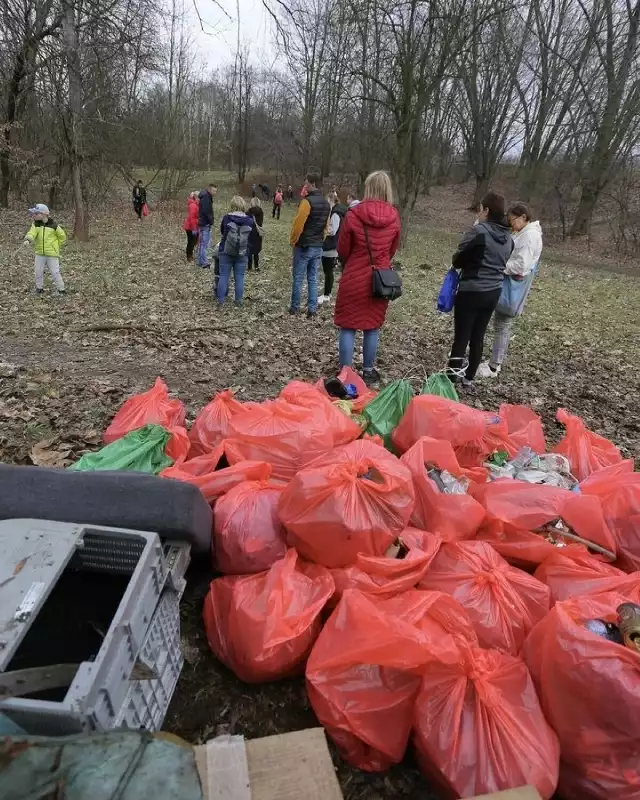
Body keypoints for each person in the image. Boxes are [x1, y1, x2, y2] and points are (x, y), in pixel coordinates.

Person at [334, 170, 400, 385]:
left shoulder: (354, 214)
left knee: (348, 326)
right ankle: (369, 370)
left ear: (368, 188)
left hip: (353, 277)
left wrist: (354, 261)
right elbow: (392, 249)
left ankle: (345, 372)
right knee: (372, 326)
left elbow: (343, 248)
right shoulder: (394, 217)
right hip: (379, 281)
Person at [446, 191, 514, 387]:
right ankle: (468, 378)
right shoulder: (509, 239)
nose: (478, 213)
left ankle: (450, 379)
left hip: (471, 291)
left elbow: (459, 258)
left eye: (480, 209)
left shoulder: (480, 232)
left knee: (462, 336)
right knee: (478, 335)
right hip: (493, 292)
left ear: (487, 210)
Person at [477, 203, 543, 378]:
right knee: (497, 323)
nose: (511, 223)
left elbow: (522, 265)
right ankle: (487, 361)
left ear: (523, 217)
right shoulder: (523, 233)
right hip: (505, 283)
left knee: (502, 324)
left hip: (511, 287)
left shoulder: (530, 236)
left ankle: (494, 366)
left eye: (513, 219)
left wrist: (499, 266)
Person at [289, 172, 330, 318]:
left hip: (304, 245)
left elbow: (298, 224)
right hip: (318, 245)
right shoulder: (326, 203)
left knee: (298, 277)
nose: (304, 186)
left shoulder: (307, 202)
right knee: (313, 278)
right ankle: (312, 309)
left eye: (306, 183)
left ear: (312, 184)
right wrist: (321, 240)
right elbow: (326, 226)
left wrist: (293, 240)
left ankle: (294, 307)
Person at [216, 195, 254, 306]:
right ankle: (238, 301)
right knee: (240, 277)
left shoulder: (226, 218)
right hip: (242, 252)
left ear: (232, 205)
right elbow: (251, 237)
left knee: (223, 276)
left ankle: (221, 301)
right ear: (243, 205)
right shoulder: (249, 220)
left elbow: (223, 232)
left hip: (226, 251)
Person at [24, 203, 67, 294]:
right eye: (33, 214)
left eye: (36, 214)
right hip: (39, 253)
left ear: (44, 214)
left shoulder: (54, 225)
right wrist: (28, 239)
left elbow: (62, 236)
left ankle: (61, 290)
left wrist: (56, 245)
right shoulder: (35, 224)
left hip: (52, 254)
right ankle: (39, 288)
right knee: (38, 271)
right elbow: (32, 233)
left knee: (55, 272)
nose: (33, 216)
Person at [319, 194, 347, 305]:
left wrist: (324, 230)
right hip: (333, 244)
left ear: (332, 200)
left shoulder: (335, 213)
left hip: (331, 244)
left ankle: (327, 294)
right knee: (328, 271)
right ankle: (327, 293)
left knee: (328, 271)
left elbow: (333, 230)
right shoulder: (338, 212)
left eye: (328, 201)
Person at [197, 183, 217, 267]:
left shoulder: (207, 197)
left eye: (216, 191)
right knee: (204, 244)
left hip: (204, 223)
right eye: (214, 190)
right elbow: (206, 211)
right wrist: (211, 220)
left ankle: (200, 261)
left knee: (203, 243)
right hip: (205, 223)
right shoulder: (206, 198)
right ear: (209, 189)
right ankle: (204, 263)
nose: (215, 192)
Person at [247, 196, 264, 271]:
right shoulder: (261, 212)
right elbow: (260, 223)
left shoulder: (248, 212)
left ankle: (249, 266)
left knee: (249, 250)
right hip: (257, 232)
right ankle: (256, 266)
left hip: (250, 232)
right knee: (256, 250)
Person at [183, 191, 199, 262]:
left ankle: (190, 254)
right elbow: (191, 218)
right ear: (195, 198)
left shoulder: (197, 204)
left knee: (194, 241)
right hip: (190, 227)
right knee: (191, 242)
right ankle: (189, 256)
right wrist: (194, 228)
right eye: (199, 198)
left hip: (195, 226)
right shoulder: (193, 206)